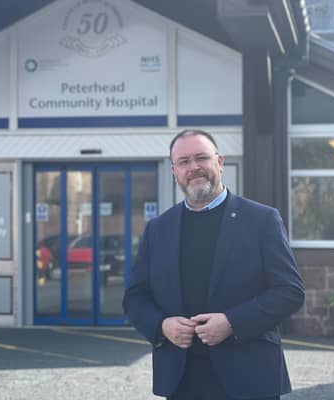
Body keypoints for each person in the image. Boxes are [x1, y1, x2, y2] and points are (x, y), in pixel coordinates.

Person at [123, 129, 305, 400]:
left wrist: (233, 322)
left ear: (219, 162)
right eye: (184, 162)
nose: (194, 167)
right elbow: (135, 298)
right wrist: (162, 326)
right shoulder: (158, 229)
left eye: (201, 158)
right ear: (174, 171)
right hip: (181, 380)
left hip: (250, 377)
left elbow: (290, 291)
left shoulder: (262, 220)